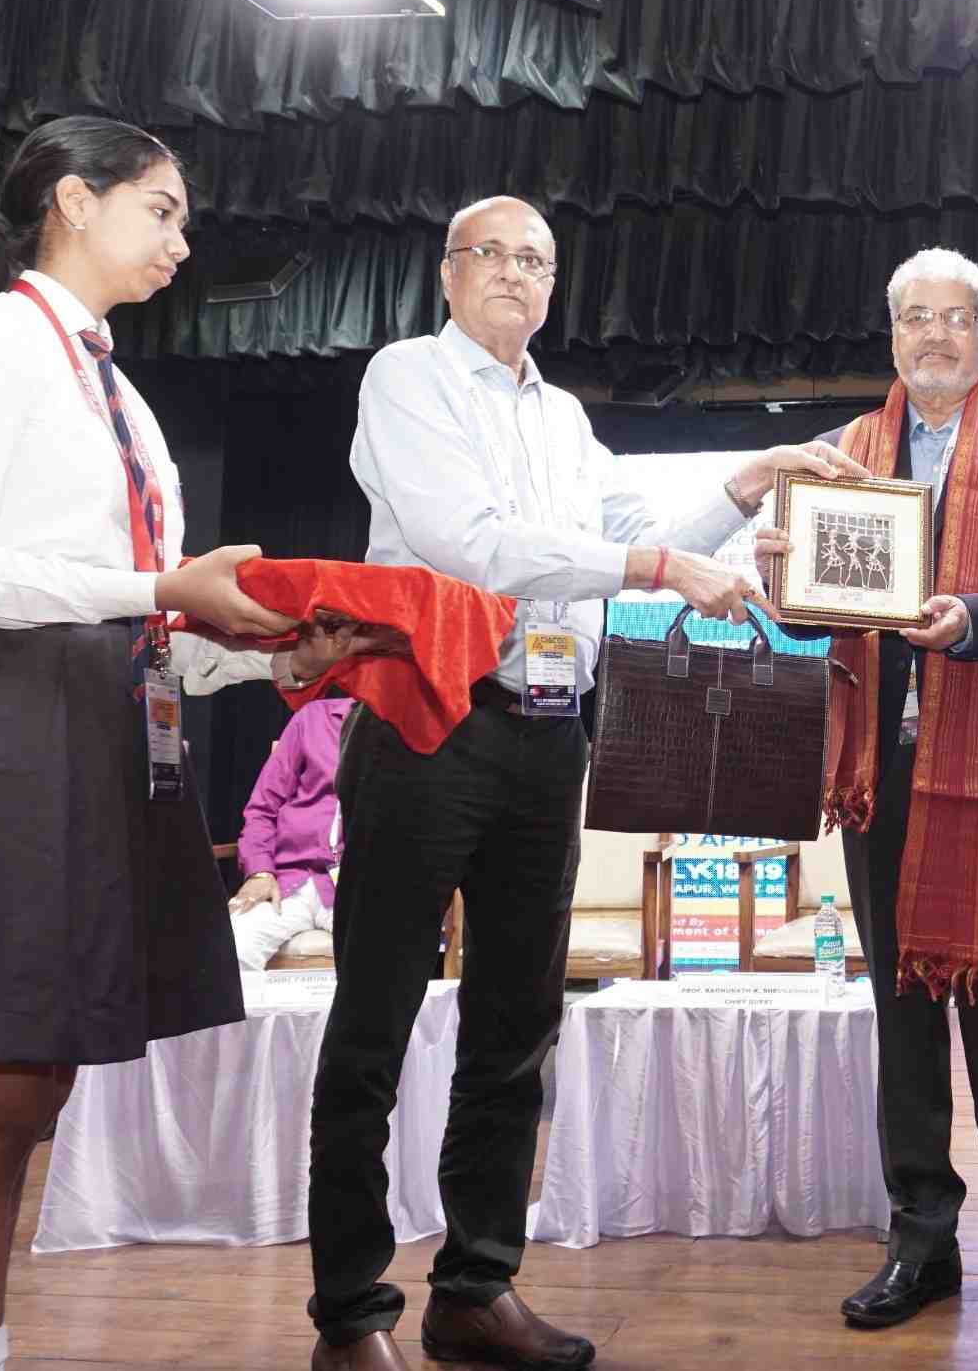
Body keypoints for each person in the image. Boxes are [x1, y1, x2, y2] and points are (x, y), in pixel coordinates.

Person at [0, 116, 358, 1371]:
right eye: (163, 210)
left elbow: (141, 619)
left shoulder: (121, 393)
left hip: (98, 731)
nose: (182, 243)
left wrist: (271, 658)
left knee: (31, 1096)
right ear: (75, 202)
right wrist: (161, 591)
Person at [305, 193, 868, 1371]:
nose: (517, 274)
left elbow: (640, 528)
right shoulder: (407, 379)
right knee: (372, 1026)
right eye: (494, 254)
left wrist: (750, 483)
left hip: (548, 734)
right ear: (448, 272)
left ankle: (475, 1289)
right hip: (428, 723)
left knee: (517, 1027)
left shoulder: (562, 417)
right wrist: (656, 564)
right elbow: (472, 543)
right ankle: (351, 1314)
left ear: (555, 288)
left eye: (538, 261)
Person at [756, 247, 978, 1342]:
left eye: (957, 319)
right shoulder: (841, 455)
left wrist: (974, 618)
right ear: (893, 333)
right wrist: (780, 576)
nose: (936, 336)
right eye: (916, 317)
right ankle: (921, 1243)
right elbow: (809, 614)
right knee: (901, 1016)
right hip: (878, 775)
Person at [230, 695, 354, 971]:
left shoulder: (405, 730)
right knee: (234, 945)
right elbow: (262, 808)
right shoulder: (313, 718)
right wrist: (260, 871)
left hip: (357, 886)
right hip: (291, 880)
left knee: (382, 960)